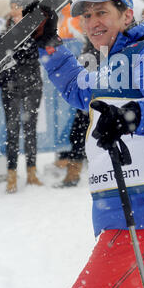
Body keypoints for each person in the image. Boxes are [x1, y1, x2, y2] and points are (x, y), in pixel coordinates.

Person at [22, 0, 144, 288]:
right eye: (87, 16)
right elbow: (78, 88)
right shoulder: (111, 63)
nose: (93, 23)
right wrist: (49, 42)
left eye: (102, 12)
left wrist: (131, 116)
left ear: (126, 15)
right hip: (132, 210)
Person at [0, 0, 43, 193]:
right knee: (12, 132)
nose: (13, 10)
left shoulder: (36, 29)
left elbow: (38, 52)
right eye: (12, 6)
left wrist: (27, 31)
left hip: (32, 85)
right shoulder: (4, 30)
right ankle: (11, 175)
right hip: (10, 85)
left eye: (18, 6)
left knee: (31, 130)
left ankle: (32, 172)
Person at [54, 37, 99, 188]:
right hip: (90, 98)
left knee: (79, 136)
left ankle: (74, 174)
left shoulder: (99, 41)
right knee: (78, 136)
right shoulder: (92, 41)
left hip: (94, 98)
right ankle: (73, 173)